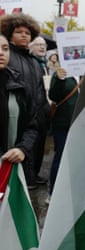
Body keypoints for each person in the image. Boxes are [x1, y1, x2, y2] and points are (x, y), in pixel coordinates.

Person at [0, 13, 50, 189]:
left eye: (27, 33)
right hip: (16, 119)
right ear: (9, 34)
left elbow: (39, 91)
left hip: (35, 120)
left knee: (31, 153)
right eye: (19, 32)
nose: (23, 35)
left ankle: (30, 179)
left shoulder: (34, 62)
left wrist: (45, 113)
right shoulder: (8, 58)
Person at [0, 34, 38, 174]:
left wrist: (22, 149)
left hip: (10, 168)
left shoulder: (20, 86)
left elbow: (32, 126)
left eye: (5, 48)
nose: (1, 53)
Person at [47, 67, 80, 203]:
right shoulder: (61, 72)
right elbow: (53, 96)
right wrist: (60, 79)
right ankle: (53, 192)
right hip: (63, 124)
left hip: (82, 123)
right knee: (60, 156)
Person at [29, 35, 51, 186]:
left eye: (44, 45)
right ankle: (30, 178)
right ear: (31, 47)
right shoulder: (31, 63)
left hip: (44, 110)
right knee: (32, 146)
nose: (42, 47)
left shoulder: (44, 65)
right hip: (34, 112)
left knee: (40, 145)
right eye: (38, 45)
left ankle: (35, 174)